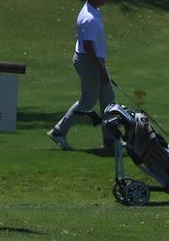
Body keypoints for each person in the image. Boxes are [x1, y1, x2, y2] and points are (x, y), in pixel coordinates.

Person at [48, 0, 117, 152]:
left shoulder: (93, 9)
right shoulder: (89, 18)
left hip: (93, 60)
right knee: (88, 101)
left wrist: (102, 64)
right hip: (88, 62)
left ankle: (110, 140)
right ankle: (58, 131)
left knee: (108, 99)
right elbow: (88, 47)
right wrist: (100, 70)